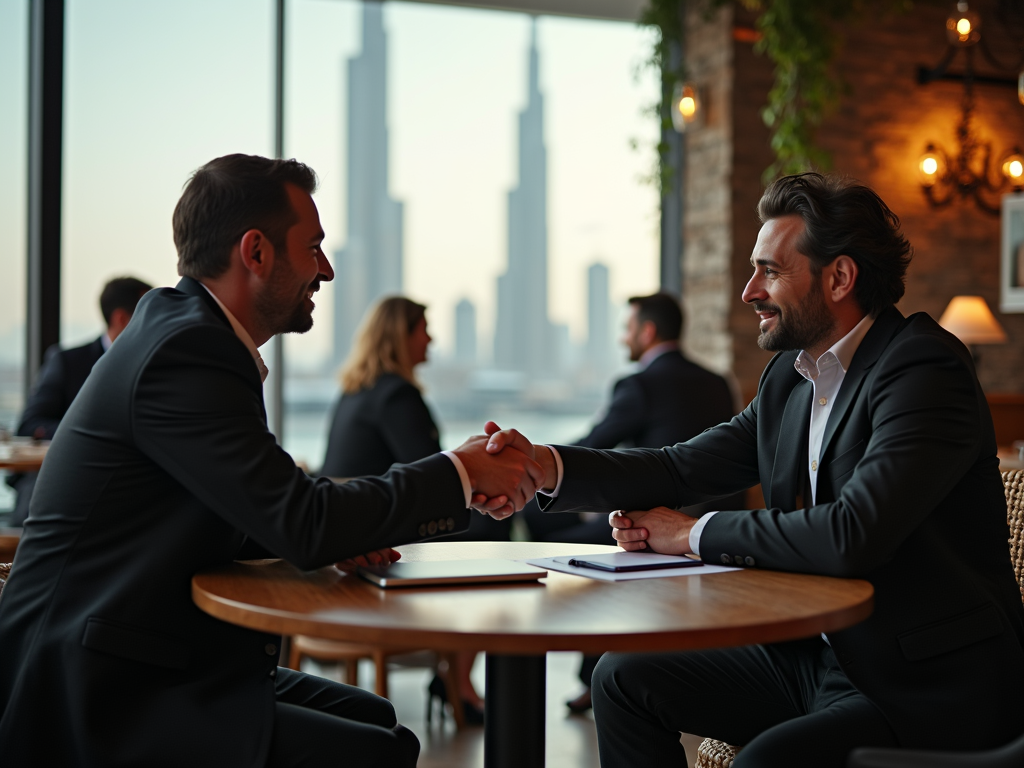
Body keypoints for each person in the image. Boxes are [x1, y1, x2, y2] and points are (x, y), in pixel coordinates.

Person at [0, 154, 541, 768]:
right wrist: (462, 472)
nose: (327, 270)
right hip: (96, 687)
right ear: (255, 253)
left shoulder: (185, 332)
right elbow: (301, 519)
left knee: (379, 719)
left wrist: (332, 529)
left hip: (146, 652)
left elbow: (263, 501)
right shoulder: (189, 351)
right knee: (376, 751)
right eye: (313, 247)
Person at [480, 173, 1024, 767]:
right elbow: (680, 466)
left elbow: (851, 534)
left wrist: (688, 534)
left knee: (764, 761)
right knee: (622, 679)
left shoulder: (923, 367)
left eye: (770, 270)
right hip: (815, 660)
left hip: (921, 683)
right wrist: (545, 466)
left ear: (839, 277)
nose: (749, 291)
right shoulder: (790, 379)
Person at [519, 292, 738, 713]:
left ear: (648, 331)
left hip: (654, 529)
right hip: (718, 523)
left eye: (629, 327)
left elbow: (594, 448)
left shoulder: (639, 383)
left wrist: (535, 467)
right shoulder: (716, 382)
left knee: (541, 521)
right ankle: (592, 662)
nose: (625, 337)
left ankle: (565, 649)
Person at [321, 294, 496, 721]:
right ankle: (458, 677)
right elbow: (434, 476)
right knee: (491, 538)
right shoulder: (398, 395)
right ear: (403, 335)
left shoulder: (355, 390)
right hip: (379, 537)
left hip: (343, 537)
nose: (431, 339)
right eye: (424, 329)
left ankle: (451, 670)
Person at [6, 276, 153, 526]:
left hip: (128, 484)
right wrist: (90, 434)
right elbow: (31, 424)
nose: (156, 325)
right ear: (122, 319)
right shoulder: (68, 362)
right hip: (61, 479)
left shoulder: (156, 368)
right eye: (150, 316)